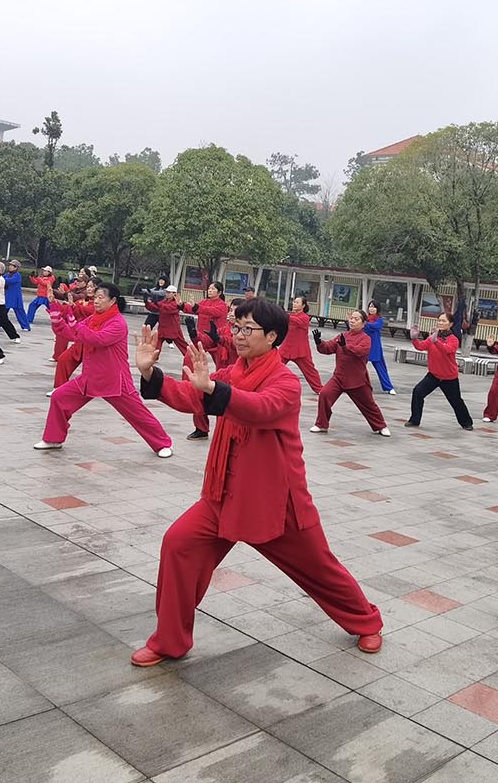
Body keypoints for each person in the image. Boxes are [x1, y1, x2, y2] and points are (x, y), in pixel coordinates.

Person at [129, 298, 383, 666]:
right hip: (222, 495)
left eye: (248, 329)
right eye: (237, 327)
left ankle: (366, 621)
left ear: (273, 336)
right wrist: (151, 374)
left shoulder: (285, 382)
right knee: (178, 544)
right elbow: (189, 396)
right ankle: (170, 641)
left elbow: (259, 408)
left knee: (320, 569)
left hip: (276, 504)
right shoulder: (230, 374)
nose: (239, 335)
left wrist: (212, 390)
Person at [33, 282, 173, 457]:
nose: (97, 301)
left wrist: (74, 322)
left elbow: (98, 339)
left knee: (138, 414)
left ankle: (163, 443)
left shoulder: (118, 323)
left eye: (101, 297)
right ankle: (53, 439)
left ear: (112, 300)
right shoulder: (93, 319)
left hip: (114, 380)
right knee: (59, 397)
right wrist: (56, 313)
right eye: (96, 297)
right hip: (90, 378)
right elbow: (73, 333)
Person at [310, 310, 390, 436]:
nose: (352, 321)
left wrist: (345, 347)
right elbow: (328, 348)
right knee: (324, 394)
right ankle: (321, 424)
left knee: (369, 405)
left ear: (363, 323)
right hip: (339, 377)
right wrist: (319, 342)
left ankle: (381, 426)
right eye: (351, 318)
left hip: (357, 380)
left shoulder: (366, 339)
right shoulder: (342, 336)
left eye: (356, 319)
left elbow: (360, 351)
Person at [403, 313, 474, 431]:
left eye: (443, 321)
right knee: (418, 392)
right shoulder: (433, 337)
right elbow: (421, 346)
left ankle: (466, 422)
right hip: (433, 375)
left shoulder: (454, 339)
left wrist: (435, 341)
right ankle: (414, 420)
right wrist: (414, 338)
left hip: (449, 377)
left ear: (450, 324)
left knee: (456, 401)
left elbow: (447, 350)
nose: (440, 323)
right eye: (439, 320)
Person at [184, 282, 231, 440]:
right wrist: (182, 305)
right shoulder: (204, 302)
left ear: (220, 292)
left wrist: (196, 307)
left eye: (213, 289)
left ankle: (227, 427)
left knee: (225, 383)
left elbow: (208, 310)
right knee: (196, 384)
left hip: (219, 343)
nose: (210, 291)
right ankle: (201, 427)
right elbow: (193, 309)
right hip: (203, 340)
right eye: (209, 288)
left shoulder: (222, 306)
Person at [278, 295, 324, 393]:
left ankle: (320, 389)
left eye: (297, 302)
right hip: (286, 348)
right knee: (273, 365)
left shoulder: (305, 318)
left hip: (300, 350)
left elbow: (297, 321)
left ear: (303, 305)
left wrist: (285, 315)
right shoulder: (290, 315)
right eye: (294, 302)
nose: (294, 304)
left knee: (310, 371)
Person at [146, 284, 192, 361]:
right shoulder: (165, 301)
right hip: (163, 327)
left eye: (169, 292)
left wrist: (156, 303)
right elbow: (155, 307)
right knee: (157, 343)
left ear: (174, 294)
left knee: (182, 344)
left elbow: (167, 308)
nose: (167, 293)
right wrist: (147, 303)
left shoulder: (176, 303)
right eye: (167, 292)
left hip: (173, 328)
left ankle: (191, 357)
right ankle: (154, 357)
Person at [364, 300, 395, 395]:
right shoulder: (365, 319)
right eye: (370, 306)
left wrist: (364, 324)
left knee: (381, 368)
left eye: (373, 307)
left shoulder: (379, 320)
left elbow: (376, 326)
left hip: (375, 347)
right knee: (357, 366)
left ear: (377, 309)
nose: (371, 308)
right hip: (364, 346)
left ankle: (389, 387)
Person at [4, 259, 31, 330]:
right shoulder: (7, 274)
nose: (10, 267)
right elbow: (3, 278)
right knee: (2, 311)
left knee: (20, 311)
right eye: (10, 265)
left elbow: (9, 281)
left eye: (12, 266)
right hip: (8, 296)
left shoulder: (17, 275)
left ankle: (26, 326)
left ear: (16, 267)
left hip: (16, 297)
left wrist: (0, 279)